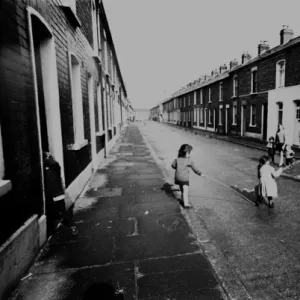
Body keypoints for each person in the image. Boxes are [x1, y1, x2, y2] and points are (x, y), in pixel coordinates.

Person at [44, 151, 78, 236]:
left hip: (57, 193)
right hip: (50, 194)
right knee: (51, 211)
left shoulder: (55, 167)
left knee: (62, 211)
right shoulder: (46, 169)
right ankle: (52, 229)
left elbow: (53, 163)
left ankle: (72, 226)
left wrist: (47, 157)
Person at [171, 144, 202, 208]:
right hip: (184, 179)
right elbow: (195, 169)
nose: (190, 155)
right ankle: (186, 204)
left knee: (182, 189)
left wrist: (178, 168)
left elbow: (173, 165)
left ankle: (182, 200)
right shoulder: (189, 160)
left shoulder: (177, 159)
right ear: (187, 152)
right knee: (185, 191)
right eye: (189, 153)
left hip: (178, 178)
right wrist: (201, 174)